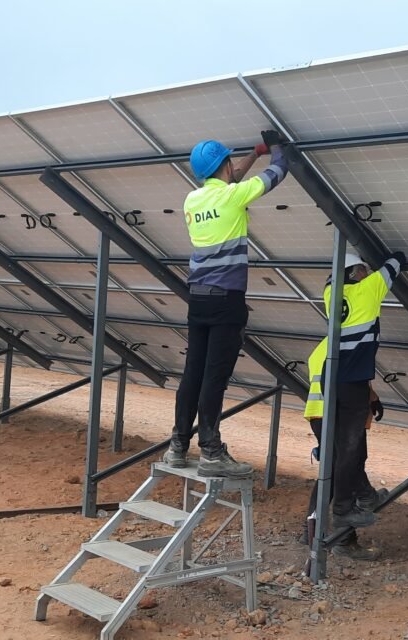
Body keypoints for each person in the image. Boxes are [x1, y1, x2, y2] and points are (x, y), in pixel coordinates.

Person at [163, 130, 289, 478]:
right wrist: (275, 148)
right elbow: (280, 170)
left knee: (194, 373)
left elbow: (229, 184)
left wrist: (252, 155)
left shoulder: (192, 201)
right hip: (227, 303)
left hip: (198, 301)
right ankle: (211, 451)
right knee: (214, 378)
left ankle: (177, 445)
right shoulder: (234, 196)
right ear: (225, 165)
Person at [304, 250, 404, 533]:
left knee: (352, 453)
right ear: (353, 274)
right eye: (363, 269)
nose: (368, 273)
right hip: (341, 392)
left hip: (337, 385)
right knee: (344, 456)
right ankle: (340, 512)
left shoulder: (331, 296)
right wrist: (390, 255)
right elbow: (396, 262)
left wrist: (370, 394)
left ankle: (364, 497)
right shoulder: (367, 291)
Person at [302, 342, 387, 561]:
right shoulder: (350, 343)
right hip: (338, 413)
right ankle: (344, 540)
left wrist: (371, 396)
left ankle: (311, 531)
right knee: (348, 468)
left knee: (333, 471)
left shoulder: (326, 345)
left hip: (321, 413)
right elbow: (347, 378)